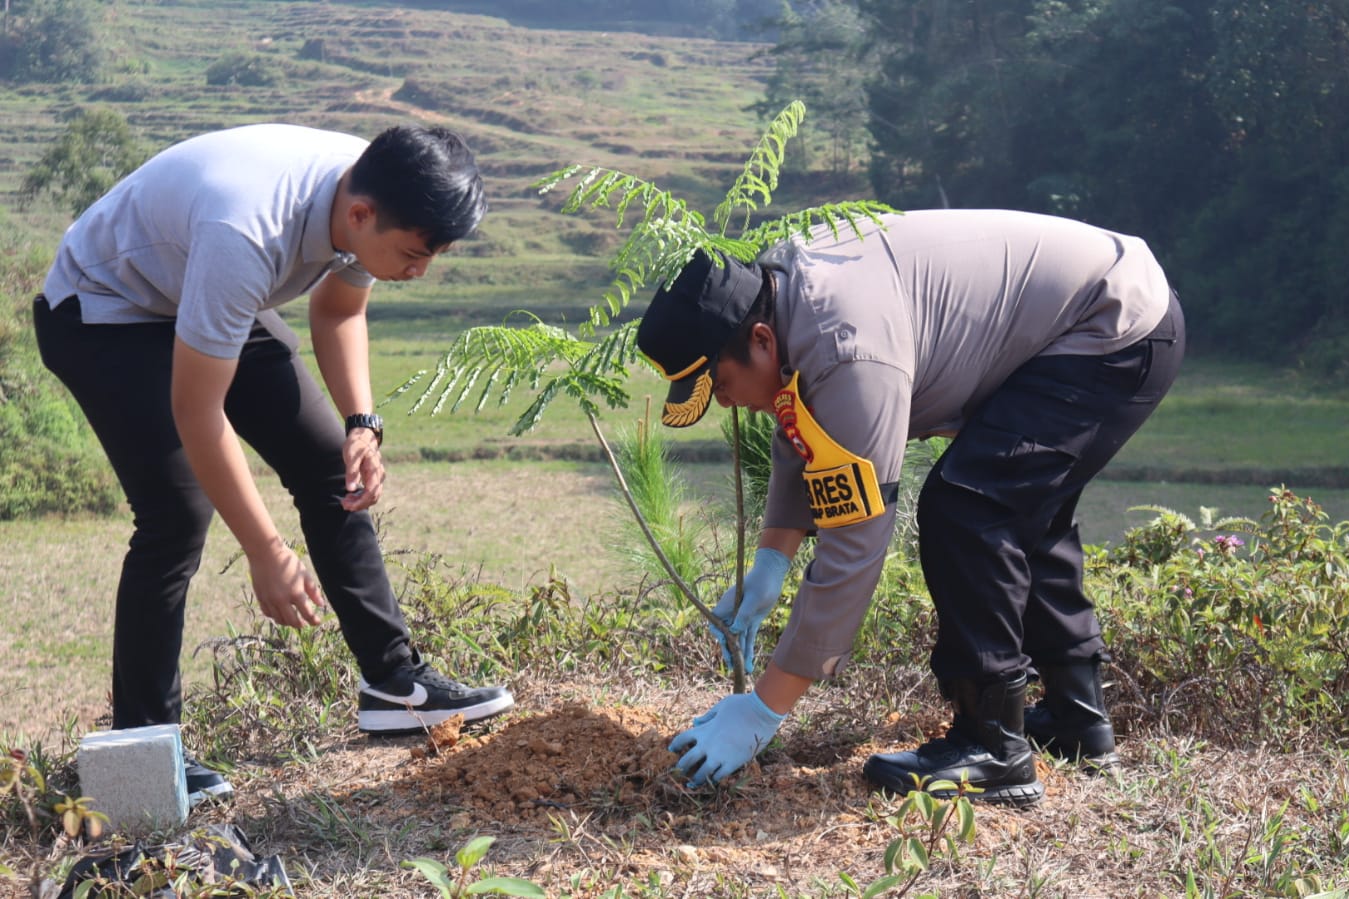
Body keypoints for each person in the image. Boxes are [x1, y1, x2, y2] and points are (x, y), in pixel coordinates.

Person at [32, 122, 515, 803]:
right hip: (102, 308)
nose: (418, 270)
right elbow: (199, 412)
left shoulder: (372, 186)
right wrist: (266, 550)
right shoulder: (249, 233)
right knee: (175, 513)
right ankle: (138, 751)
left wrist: (362, 424)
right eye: (413, 254)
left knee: (328, 460)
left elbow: (340, 310)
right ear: (359, 216)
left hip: (191, 291)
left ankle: (394, 683)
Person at [635, 209, 1184, 806]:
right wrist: (771, 562)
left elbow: (856, 542)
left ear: (761, 341)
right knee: (1023, 506)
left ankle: (994, 746)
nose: (727, 404)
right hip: (1099, 303)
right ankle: (1079, 721)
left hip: (1111, 322)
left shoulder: (848, 349)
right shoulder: (779, 293)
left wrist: (764, 708)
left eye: (719, 385)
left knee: (969, 507)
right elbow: (805, 420)